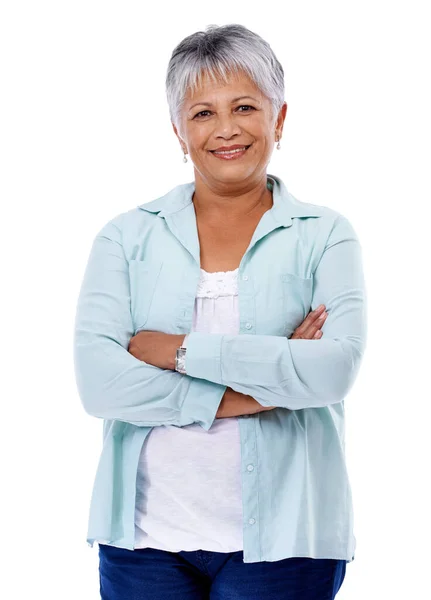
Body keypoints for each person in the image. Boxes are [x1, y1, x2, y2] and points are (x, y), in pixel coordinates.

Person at [73, 23, 367, 600]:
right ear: (179, 133)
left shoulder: (325, 235)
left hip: (289, 542)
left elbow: (334, 371)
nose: (226, 129)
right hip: (143, 541)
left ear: (278, 119)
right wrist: (266, 387)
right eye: (202, 113)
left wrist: (175, 350)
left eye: (244, 106)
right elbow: (99, 384)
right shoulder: (125, 237)